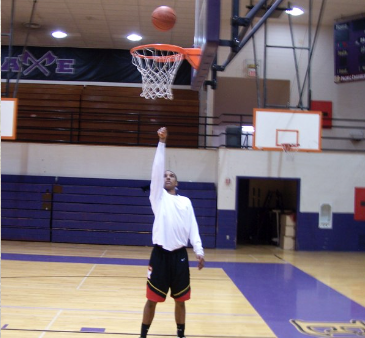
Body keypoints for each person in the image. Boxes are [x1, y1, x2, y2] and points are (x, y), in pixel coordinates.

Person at [139, 127, 205, 338]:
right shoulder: (157, 198)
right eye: (165, 175)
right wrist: (162, 143)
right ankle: (143, 334)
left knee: (181, 300)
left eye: (171, 175)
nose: (167, 177)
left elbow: (193, 227)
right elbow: (156, 171)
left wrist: (199, 250)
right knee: (152, 299)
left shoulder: (185, 202)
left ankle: (181, 334)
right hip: (159, 256)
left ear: (177, 182)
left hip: (179, 256)